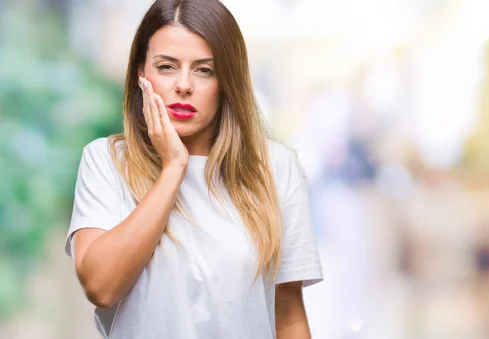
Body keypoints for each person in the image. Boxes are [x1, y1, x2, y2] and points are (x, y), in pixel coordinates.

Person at [63, 0, 323, 338]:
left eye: (204, 69)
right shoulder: (106, 161)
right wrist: (173, 168)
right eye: (167, 66)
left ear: (227, 80)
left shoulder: (275, 167)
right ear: (142, 73)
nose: (183, 85)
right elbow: (101, 287)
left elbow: (287, 316)